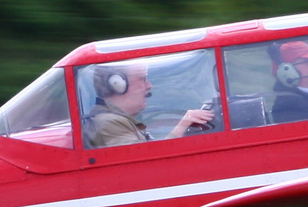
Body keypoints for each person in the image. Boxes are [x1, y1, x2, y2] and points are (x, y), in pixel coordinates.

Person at [83, 63, 215, 147]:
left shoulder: (117, 121)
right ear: (117, 84)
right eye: (142, 78)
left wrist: (185, 123)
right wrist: (181, 126)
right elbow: (143, 165)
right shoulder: (110, 123)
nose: (149, 86)